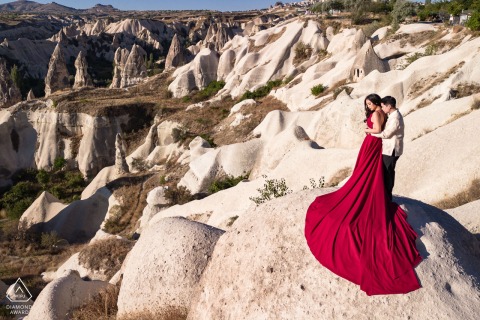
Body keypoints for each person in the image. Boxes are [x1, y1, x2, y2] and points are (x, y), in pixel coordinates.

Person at [304, 94, 422, 296]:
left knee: (372, 174)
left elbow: (379, 131)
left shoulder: (384, 115)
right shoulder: (381, 113)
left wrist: (368, 130)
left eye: (372, 103)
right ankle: (380, 194)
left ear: (380, 104)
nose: (369, 106)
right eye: (366, 104)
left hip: (379, 144)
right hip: (379, 146)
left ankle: (380, 196)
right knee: (372, 173)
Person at [370, 96, 404, 202]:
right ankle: (386, 195)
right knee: (387, 172)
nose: (382, 108)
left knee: (388, 172)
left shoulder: (396, 118)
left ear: (389, 106)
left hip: (392, 149)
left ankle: (387, 197)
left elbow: (386, 134)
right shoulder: (392, 115)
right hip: (390, 148)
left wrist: (371, 133)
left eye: (383, 106)